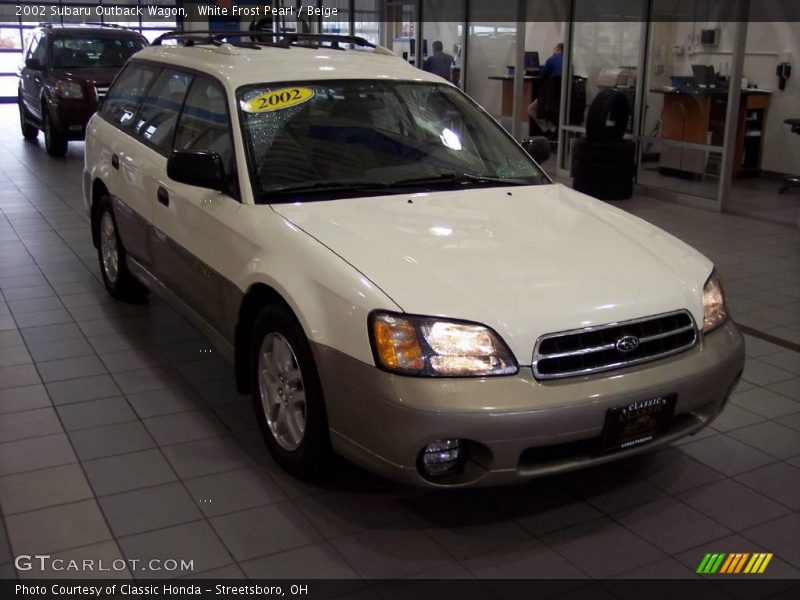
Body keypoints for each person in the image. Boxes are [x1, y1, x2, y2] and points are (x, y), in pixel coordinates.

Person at [528, 42, 564, 138]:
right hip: (562, 99)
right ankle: (554, 130)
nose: (553, 50)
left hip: (548, 99)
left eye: (554, 48)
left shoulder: (551, 60)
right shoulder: (569, 62)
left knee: (531, 109)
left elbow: (542, 75)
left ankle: (550, 128)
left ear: (558, 49)